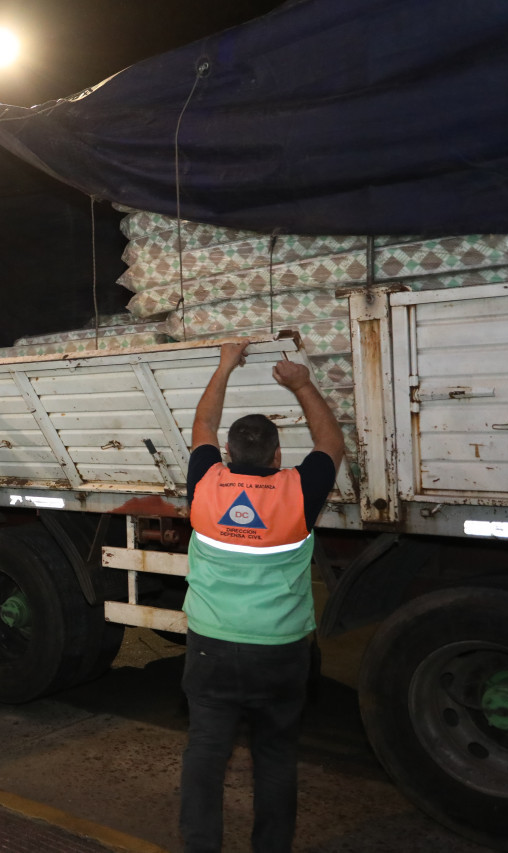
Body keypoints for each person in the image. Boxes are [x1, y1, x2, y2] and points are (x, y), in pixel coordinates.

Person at [179, 340, 344, 853]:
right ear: (278, 456)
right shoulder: (299, 490)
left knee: (205, 755)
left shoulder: (206, 485)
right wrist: (300, 384)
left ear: (226, 454)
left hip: (210, 647)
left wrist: (226, 363)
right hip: (281, 652)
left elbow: (202, 425)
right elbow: (331, 442)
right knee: (274, 756)